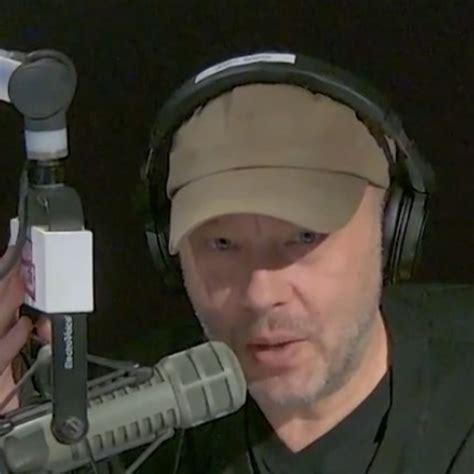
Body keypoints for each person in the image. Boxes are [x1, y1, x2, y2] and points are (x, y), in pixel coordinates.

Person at [1, 64, 474, 474]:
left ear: (390, 232)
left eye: (304, 238)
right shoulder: (117, 427)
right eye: (223, 244)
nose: (260, 293)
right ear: (172, 255)